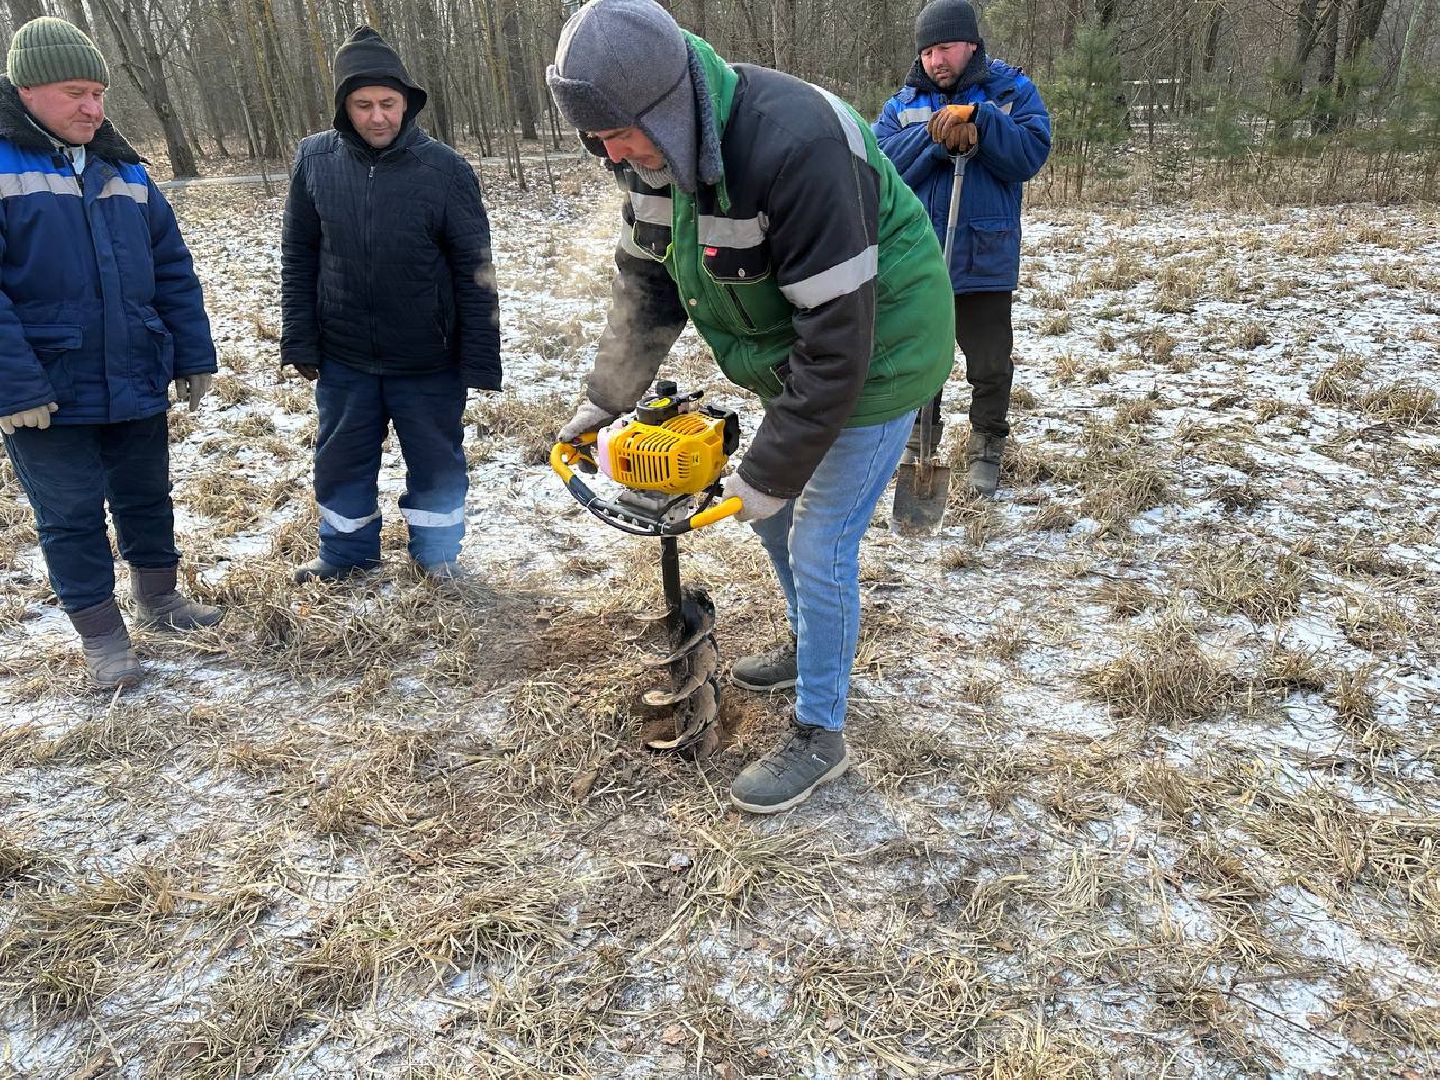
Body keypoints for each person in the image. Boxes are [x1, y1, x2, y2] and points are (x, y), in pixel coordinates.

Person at [547, 0, 954, 813]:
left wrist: (771, 469)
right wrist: (604, 400)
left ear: (664, 106)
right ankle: (811, 647)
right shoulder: (654, 157)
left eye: (618, 133)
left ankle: (821, 735)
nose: (610, 154)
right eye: (597, 139)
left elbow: (841, 345)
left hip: (882, 352)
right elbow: (648, 290)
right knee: (769, 515)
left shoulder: (795, 146)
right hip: (797, 357)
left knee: (818, 538)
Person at [0, 17, 221, 691]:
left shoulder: (124, 168)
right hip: (47, 392)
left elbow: (171, 267)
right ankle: (104, 640)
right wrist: (13, 389)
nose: (94, 108)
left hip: (134, 374)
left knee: (148, 496)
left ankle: (160, 599)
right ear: (26, 88)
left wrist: (193, 353)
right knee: (69, 518)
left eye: (99, 92)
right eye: (76, 93)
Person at [281, 26, 500, 583]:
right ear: (343, 107)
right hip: (344, 357)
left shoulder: (445, 170)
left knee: (436, 464)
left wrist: (479, 360)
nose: (377, 117)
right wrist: (300, 338)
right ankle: (345, 555)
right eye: (363, 105)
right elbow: (299, 254)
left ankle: (437, 555)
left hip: (429, 359)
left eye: (388, 103)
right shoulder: (314, 160)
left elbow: (477, 274)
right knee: (340, 462)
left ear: (407, 102)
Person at [873, 0, 1050, 495]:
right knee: (918, 355)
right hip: (918, 257)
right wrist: (936, 140)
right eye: (928, 51)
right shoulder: (902, 103)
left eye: (944, 48)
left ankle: (987, 442)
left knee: (990, 360)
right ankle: (918, 438)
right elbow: (881, 168)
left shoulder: (1011, 91)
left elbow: (1030, 154)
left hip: (984, 255)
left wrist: (983, 121)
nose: (935, 61)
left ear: (970, 44)